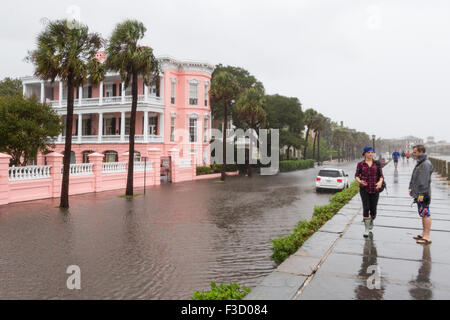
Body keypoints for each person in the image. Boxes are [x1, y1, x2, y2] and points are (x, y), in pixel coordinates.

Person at [355, 146, 384, 238]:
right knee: (366, 207)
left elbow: (381, 176)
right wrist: (360, 181)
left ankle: (372, 219)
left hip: (375, 189)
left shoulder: (377, 163)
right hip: (364, 189)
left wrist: (380, 182)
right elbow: (356, 176)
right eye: (369, 152)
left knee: (373, 209)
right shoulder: (360, 164)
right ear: (364, 154)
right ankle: (366, 229)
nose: (371, 154)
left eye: (372, 152)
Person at [409, 145, 433, 244]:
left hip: (423, 193)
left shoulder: (425, 164)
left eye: (415, 152)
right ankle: (424, 233)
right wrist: (411, 188)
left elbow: (424, 180)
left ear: (421, 152)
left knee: (426, 213)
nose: (413, 154)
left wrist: (421, 194)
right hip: (419, 193)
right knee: (423, 213)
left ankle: (427, 236)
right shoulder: (421, 162)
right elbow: (415, 177)